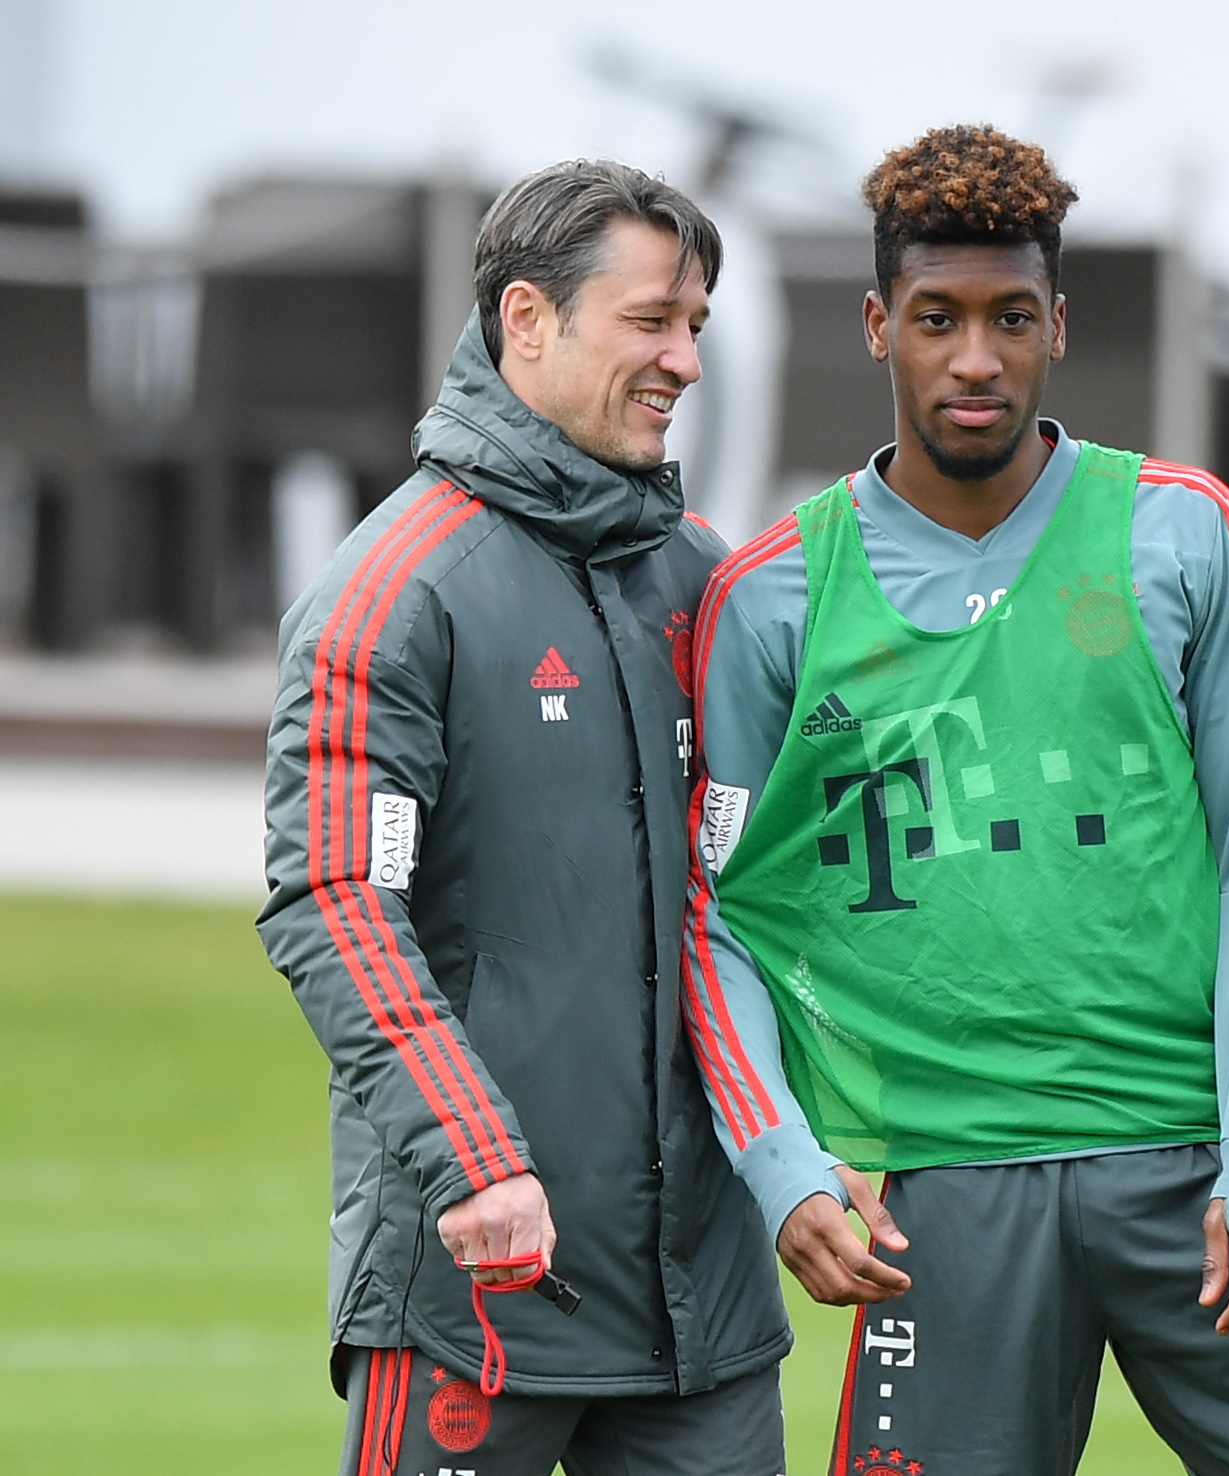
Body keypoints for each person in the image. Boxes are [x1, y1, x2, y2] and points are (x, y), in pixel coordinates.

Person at [682, 125, 1229, 1476]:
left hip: (1197, 1177)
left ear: (1055, 328)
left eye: (1007, 318)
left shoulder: (1182, 532)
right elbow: (718, 918)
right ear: (876, 325)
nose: (973, 358)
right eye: (936, 318)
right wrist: (783, 1164)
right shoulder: (768, 600)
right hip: (941, 1198)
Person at [257, 162, 792, 1475]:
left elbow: (772, 896)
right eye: (650, 321)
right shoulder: (393, 593)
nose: (685, 361)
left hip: (702, 1306)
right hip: (477, 1277)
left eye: (697, 329)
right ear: (527, 320)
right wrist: (476, 1159)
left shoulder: (709, 580)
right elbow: (333, 899)